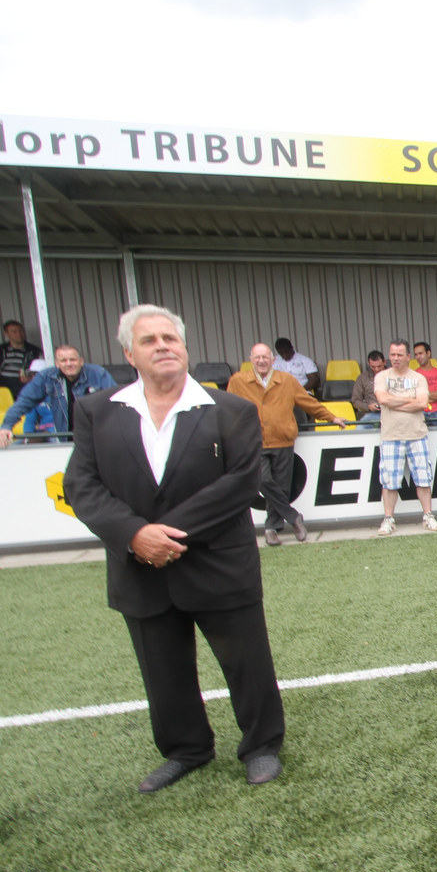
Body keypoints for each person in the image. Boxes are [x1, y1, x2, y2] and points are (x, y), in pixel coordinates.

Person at [62, 305, 285, 792]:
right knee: (162, 671)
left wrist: (161, 534)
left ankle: (262, 745)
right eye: (149, 340)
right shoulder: (97, 411)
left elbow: (241, 483)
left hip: (219, 565)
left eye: (171, 338)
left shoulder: (231, 410)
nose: (163, 346)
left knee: (248, 663)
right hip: (139, 569)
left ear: (184, 347)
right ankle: (187, 750)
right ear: (129, 354)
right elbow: (81, 486)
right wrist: (134, 536)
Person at [226, 343, 348, 546]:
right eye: (257, 357)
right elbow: (229, 408)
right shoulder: (238, 381)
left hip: (283, 440)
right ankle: (293, 517)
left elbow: (307, 402)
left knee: (282, 487)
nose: (262, 361)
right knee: (262, 480)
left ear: (273, 360)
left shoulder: (287, 380)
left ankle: (271, 529)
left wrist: (332, 417)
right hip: (254, 441)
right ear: (251, 359)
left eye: (265, 357)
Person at [374, 341, 437, 536]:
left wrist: (394, 402)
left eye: (399, 355)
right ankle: (388, 519)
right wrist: (408, 400)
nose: (395, 358)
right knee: (389, 481)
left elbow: (422, 403)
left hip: (416, 435)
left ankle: (428, 516)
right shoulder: (382, 377)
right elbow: (382, 399)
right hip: (390, 436)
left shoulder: (418, 378)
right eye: (392, 355)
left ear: (407, 357)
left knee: (423, 478)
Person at [0, 344, 116, 446]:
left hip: (97, 436)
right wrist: (6, 426)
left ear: (81, 361)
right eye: (63, 360)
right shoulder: (45, 377)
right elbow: (23, 402)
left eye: (72, 359)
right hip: (65, 439)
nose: (68, 364)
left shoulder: (98, 374)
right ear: (57, 363)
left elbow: (117, 400)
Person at [0, 320, 43, 397]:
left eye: (20, 331)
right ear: (6, 334)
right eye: (14, 332)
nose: (19, 334)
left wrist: (30, 378)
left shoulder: (34, 351)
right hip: (0, 380)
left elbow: (39, 370)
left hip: (20, 382)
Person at [412, 342, 437, 423]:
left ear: (428, 353)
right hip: (420, 412)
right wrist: (435, 395)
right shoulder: (413, 375)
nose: (418, 357)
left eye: (420, 353)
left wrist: (422, 395)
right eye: (416, 354)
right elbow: (412, 396)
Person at [350, 351, 387, 421]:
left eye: (379, 366)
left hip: (393, 412)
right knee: (360, 427)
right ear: (369, 364)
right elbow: (355, 401)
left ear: (384, 362)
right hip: (373, 414)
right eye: (373, 367)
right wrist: (368, 406)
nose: (376, 369)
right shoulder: (362, 378)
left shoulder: (394, 375)